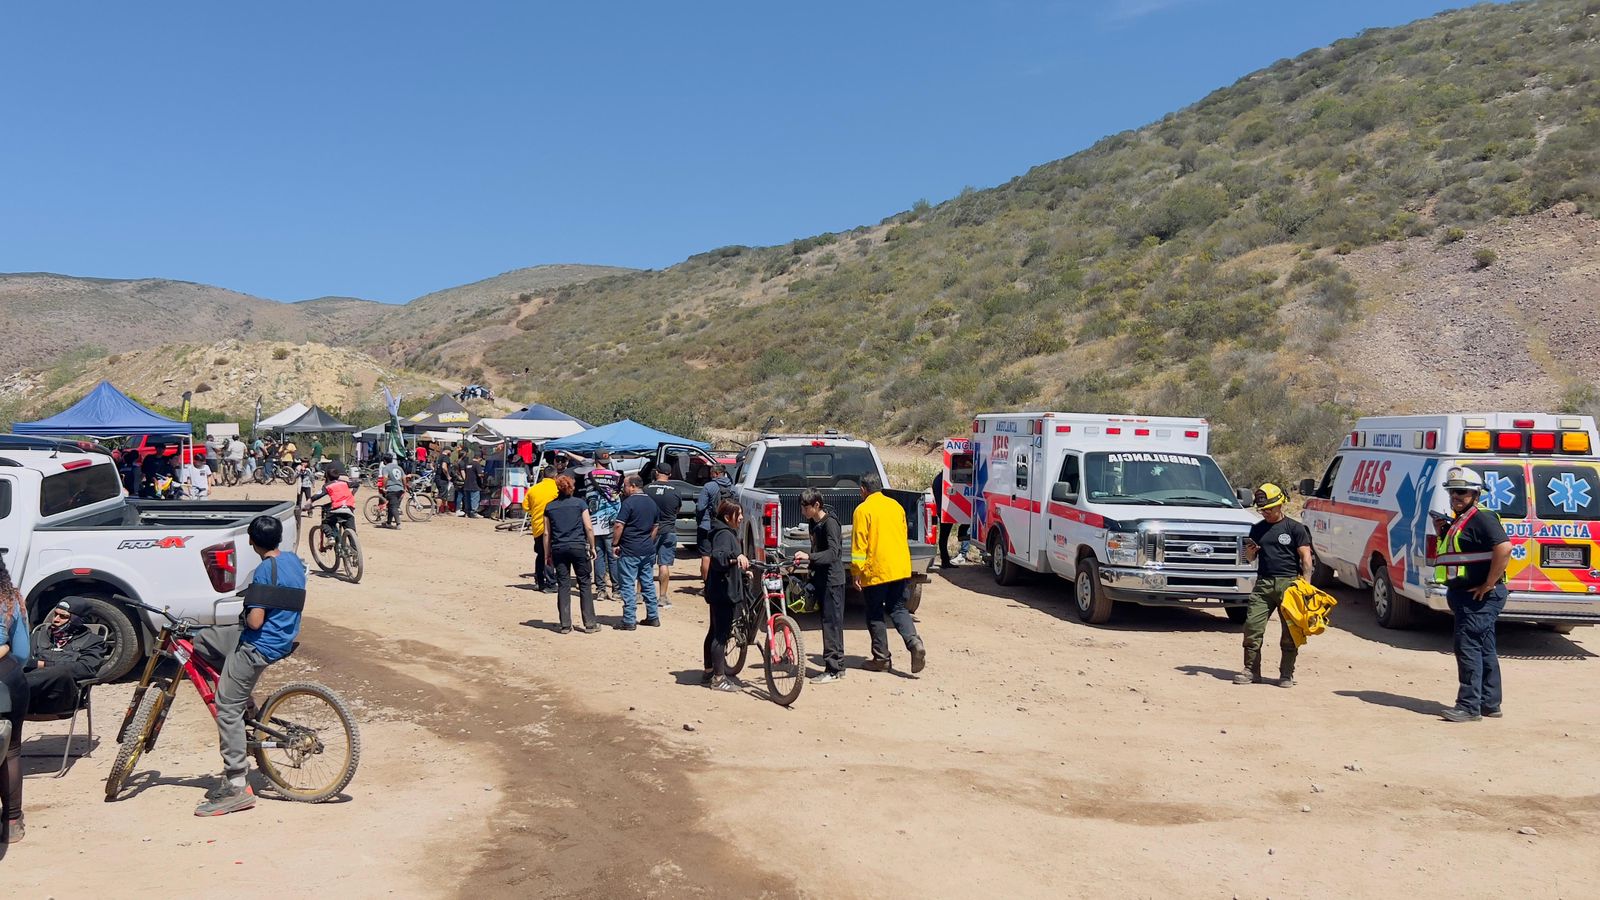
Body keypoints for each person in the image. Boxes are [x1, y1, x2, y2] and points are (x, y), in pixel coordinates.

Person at [193, 515, 305, 816]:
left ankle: (236, 785)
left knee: (226, 707)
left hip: (259, 644)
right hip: (282, 637)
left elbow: (255, 620)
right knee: (204, 641)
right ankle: (240, 691)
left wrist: (247, 609)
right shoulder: (294, 562)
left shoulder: (262, 571)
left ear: (252, 541)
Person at [1434, 467, 1512, 723]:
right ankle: (1489, 703)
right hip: (1467, 595)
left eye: (1461, 492)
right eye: (1452, 491)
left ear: (1475, 494)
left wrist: (1489, 584)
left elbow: (1504, 547)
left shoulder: (1482, 518)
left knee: (1467, 647)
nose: (1455, 496)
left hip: (1479, 598)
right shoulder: (1462, 518)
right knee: (1484, 648)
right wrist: (1442, 531)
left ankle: (1468, 707)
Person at [1236, 483, 1314, 687]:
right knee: (1252, 627)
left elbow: (1306, 557)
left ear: (1280, 505)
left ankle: (1286, 674)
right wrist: (1251, 551)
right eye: (1262, 509)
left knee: (1290, 632)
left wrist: (1307, 588)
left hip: (1289, 585)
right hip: (1263, 584)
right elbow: (1249, 558)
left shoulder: (1295, 528)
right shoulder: (1258, 528)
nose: (1265, 513)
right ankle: (1251, 671)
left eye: (1269, 509)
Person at [852, 473, 927, 674]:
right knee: (898, 608)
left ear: (863, 490)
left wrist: (856, 572)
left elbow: (860, 545)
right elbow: (902, 534)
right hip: (899, 568)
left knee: (875, 612)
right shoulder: (896, 506)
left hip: (876, 570)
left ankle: (881, 659)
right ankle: (914, 643)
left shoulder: (863, 510)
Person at [795, 488, 847, 683]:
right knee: (830, 622)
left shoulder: (830, 524)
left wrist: (810, 557)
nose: (803, 511)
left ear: (817, 505)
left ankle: (833, 669)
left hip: (833, 581)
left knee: (832, 624)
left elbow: (833, 553)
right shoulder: (812, 523)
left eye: (806, 507)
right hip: (820, 579)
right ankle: (837, 667)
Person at [24, 599, 108, 714]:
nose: (55, 620)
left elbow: (86, 668)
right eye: (55, 614)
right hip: (29, 698)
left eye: (63, 616)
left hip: (59, 699)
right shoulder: (38, 636)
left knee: (62, 672)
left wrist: (43, 664)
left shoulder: (93, 642)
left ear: (77, 619)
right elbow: (22, 661)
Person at [544, 475, 600, 634]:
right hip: (578, 547)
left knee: (563, 584)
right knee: (584, 583)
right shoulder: (580, 504)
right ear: (572, 487)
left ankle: (565, 624)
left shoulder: (550, 507)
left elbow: (547, 533)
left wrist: (547, 553)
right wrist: (593, 546)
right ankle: (590, 623)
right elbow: (589, 527)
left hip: (559, 548)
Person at [703, 500, 750, 691]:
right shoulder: (723, 534)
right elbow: (719, 559)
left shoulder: (722, 531)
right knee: (720, 635)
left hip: (717, 589)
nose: (741, 518)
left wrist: (742, 569)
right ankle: (719, 678)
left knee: (714, 631)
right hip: (723, 592)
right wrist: (735, 559)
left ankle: (708, 672)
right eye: (738, 514)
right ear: (727, 517)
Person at [0, 554, 31, 841]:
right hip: (6, 675)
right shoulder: (10, 597)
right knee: (10, 751)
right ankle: (11, 823)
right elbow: (22, 652)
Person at [613, 475, 662, 630]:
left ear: (633, 486)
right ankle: (653, 616)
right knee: (647, 582)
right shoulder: (652, 503)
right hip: (647, 550)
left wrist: (615, 543)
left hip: (630, 550)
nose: (624, 489)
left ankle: (629, 620)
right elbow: (655, 527)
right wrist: (648, 540)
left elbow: (619, 526)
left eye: (626, 486)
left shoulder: (628, 503)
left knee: (627, 584)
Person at [586, 454, 623, 601]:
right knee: (613, 556)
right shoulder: (616, 476)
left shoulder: (589, 476)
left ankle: (600, 590)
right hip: (612, 521)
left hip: (595, 521)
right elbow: (617, 497)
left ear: (596, 460)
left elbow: (589, 497)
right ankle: (616, 590)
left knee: (598, 555)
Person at [644, 467, 680, 608]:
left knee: (645, 562)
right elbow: (677, 510)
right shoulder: (675, 490)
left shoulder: (647, 489)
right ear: (670, 474)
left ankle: (639, 594)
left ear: (656, 473)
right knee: (663, 564)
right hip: (668, 530)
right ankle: (663, 597)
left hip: (649, 530)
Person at [523, 466, 559, 591]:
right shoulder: (557, 489)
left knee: (540, 554)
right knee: (550, 555)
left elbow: (526, 507)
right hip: (554, 527)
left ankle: (539, 581)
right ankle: (551, 582)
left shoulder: (533, 489)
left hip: (538, 527)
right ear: (555, 476)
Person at [697, 465, 735, 582]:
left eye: (711, 473)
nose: (710, 475)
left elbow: (700, 507)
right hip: (726, 527)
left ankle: (707, 585)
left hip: (708, 526)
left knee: (706, 555)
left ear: (716, 473)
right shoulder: (732, 487)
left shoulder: (709, 486)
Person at [304, 468, 357, 548]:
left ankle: (330, 537)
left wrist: (308, 504)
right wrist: (352, 493)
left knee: (325, 522)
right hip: (349, 509)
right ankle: (355, 552)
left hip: (337, 509)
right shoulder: (344, 483)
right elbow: (356, 484)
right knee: (352, 533)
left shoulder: (328, 485)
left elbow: (317, 495)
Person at [932, 470, 972, 569]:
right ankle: (945, 561)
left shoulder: (940, 478)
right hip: (945, 510)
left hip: (945, 509)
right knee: (944, 536)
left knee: (944, 536)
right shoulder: (943, 480)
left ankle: (945, 560)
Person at [381, 454, 407, 529]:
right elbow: (404, 478)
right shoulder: (399, 467)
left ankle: (398, 523)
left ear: (385, 461)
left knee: (394, 507)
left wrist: (383, 487)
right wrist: (404, 487)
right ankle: (388, 522)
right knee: (391, 506)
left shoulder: (386, 468)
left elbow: (385, 478)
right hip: (400, 489)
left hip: (392, 489)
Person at [459, 450, 484, 518]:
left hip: (467, 484)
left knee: (468, 500)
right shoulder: (477, 464)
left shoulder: (468, 464)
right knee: (474, 499)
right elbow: (479, 474)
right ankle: (474, 513)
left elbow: (463, 472)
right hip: (475, 485)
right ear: (479, 458)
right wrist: (484, 475)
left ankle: (467, 513)